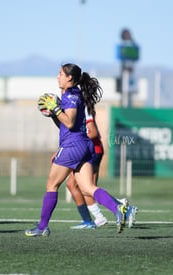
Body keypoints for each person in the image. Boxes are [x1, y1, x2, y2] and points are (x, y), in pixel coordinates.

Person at [25, 63, 128, 237]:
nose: (58, 76)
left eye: (60, 74)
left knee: (52, 184)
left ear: (69, 78)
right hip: (82, 144)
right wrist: (53, 114)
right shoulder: (73, 94)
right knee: (88, 187)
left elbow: (70, 122)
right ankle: (117, 208)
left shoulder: (71, 95)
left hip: (73, 146)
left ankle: (42, 227)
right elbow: (65, 125)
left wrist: (56, 108)